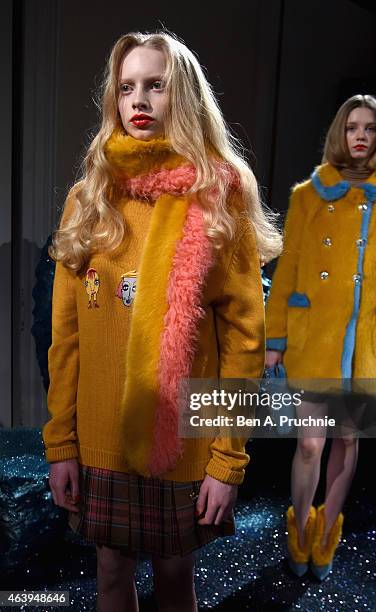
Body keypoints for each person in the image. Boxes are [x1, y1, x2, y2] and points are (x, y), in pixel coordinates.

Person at [43, 31, 282, 612]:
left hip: (184, 445)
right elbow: (66, 339)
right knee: (109, 576)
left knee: (176, 581)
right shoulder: (91, 196)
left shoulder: (216, 199)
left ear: (187, 99)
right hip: (100, 440)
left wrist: (228, 460)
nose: (139, 100)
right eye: (126, 88)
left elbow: (244, 346)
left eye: (156, 85)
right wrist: (60, 444)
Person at [265, 94, 376, 580]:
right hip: (317, 337)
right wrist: (276, 337)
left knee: (346, 442)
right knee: (310, 443)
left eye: (370, 128)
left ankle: (327, 532)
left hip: (370, 341)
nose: (360, 135)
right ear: (340, 132)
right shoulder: (308, 196)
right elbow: (287, 270)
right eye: (352, 126)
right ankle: (301, 526)